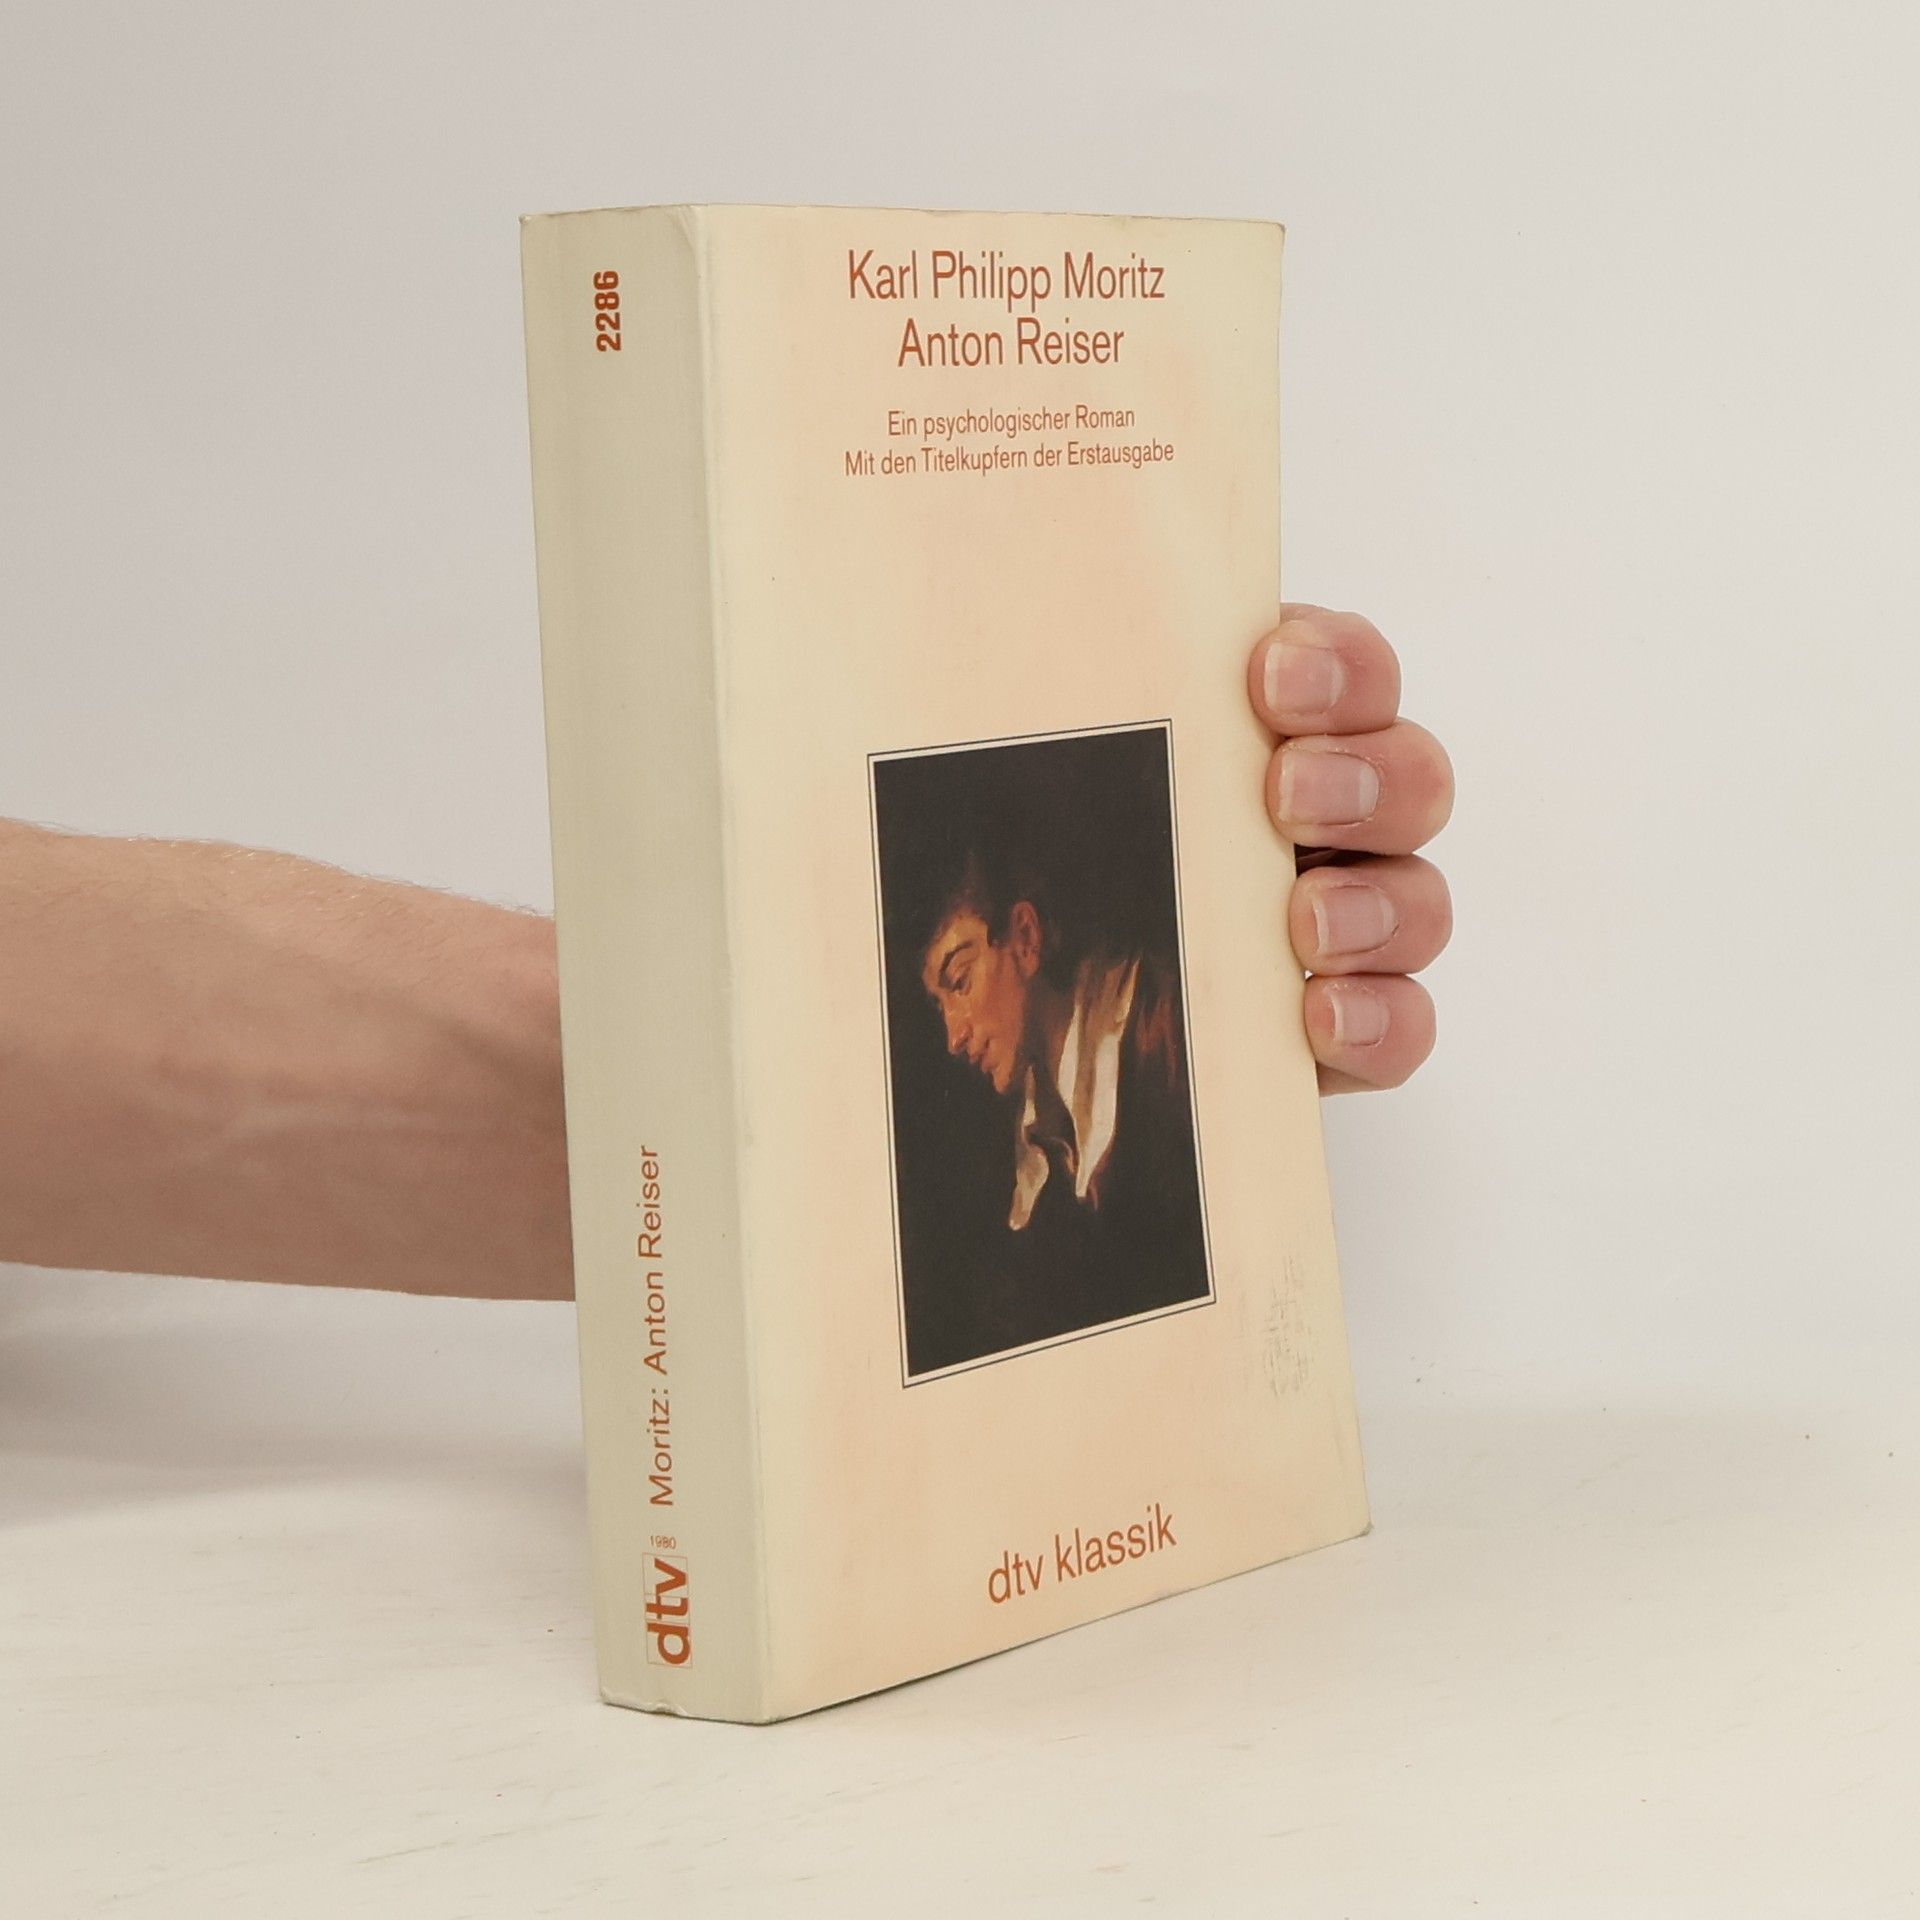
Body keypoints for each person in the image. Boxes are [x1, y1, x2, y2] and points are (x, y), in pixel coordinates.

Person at [0, 605, 1452, 1301]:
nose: (948, 1028)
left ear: (1025, 938)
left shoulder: (1136, 1047)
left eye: (955, 975)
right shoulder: (1013, 1151)